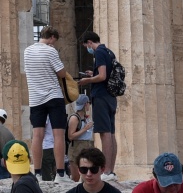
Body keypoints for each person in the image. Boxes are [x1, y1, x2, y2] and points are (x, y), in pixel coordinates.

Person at [22, 27, 75, 180]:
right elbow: (62, 73)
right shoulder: (51, 51)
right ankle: (60, 173)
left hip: (35, 98)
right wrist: (54, 53)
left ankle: (37, 173)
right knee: (58, 134)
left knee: (37, 135)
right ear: (52, 38)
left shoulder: (27, 51)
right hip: (53, 96)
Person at [77, 31, 120, 179]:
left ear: (89, 42)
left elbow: (102, 76)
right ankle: (111, 170)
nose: (87, 49)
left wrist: (86, 81)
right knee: (111, 132)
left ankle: (106, 170)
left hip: (101, 96)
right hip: (110, 96)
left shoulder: (99, 52)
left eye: (86, 46)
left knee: (104, 133)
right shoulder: (108, 51)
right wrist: (92, 74)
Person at [66, 94, 95, 179]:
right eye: (88, 103)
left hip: (87, 147)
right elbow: (70, 136)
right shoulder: (74, 118)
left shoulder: (86, 118)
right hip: (76, 149)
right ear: (86, 104)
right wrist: (85, 129)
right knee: (76, 177)